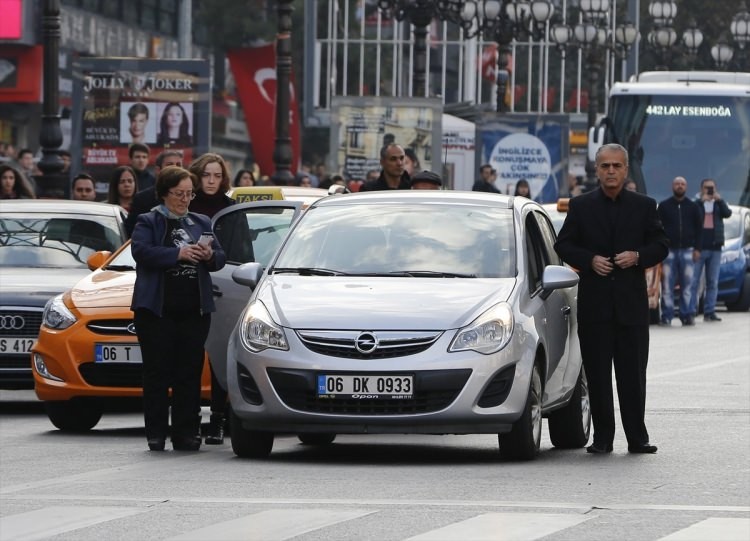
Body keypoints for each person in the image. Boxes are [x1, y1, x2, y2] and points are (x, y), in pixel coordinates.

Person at [555, 143, 668, 455]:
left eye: (617, 166)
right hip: (595, 307)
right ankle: (602, 437)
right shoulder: (581, 206)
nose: (611, 171)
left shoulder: (645, 206)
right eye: (605, 166)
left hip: (631, 308)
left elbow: (661, 244)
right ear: (596, 169)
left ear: (626, 169)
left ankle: (637, 437)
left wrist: (638, 256)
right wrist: (589, 260)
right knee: (598, 376)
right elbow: (563, 245)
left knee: (633, 376)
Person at [130, 165, 226, 452]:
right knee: (157, 373)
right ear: (163, 194)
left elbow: (220, 258)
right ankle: (156, 433)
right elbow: (141, 252)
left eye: (189, 194)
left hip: (193, 310)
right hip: (157, 311)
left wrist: (209, 255)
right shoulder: (148, 221)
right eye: (178, 194)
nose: (185, 199)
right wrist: (178, 253)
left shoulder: (200, 221)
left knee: (189, 372)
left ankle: (186, 432)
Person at [188, 153, 234, 445]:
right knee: (191, 358)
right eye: (207, 175)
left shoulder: (231, 209)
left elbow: (242, 248)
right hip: (191, 286)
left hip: (226, 286)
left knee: (220, 357)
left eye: (217, 176)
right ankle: (190, 419)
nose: (212, 181)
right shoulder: (187, 207)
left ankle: (218, 418)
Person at [657, 176, 703, 326]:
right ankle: (667, 315)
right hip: (669, 251)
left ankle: (687, 314)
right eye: (677, 183)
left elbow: (699, 229)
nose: (680, 186)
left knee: (688, 286)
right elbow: (658, 229)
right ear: (672, 186)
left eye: (682, 184)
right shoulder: (664, 206)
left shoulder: (693, 206)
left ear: (686, 187)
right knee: (667, 286)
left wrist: (698, 249)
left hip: (688, 251)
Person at [691, 178, 732, 322]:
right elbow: (691, 215)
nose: (710, 190)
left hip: (715, 247)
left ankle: (710, 311)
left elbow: (728, 214)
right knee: (694, 281)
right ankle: (691, 311)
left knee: (712, 281)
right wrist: (702, 201)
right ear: (701, 188)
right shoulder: (696, 202)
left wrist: (719, 200)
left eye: (712, 188)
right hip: (699, 247)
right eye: (707, 187)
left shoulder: (718, 203)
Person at [125, 150, 184, 237]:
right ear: (158, 170)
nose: (175, 168)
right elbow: (133, 233)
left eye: (178, 165)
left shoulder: (190, 197)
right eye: (170, 165)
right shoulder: (142, 199)